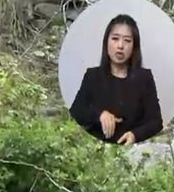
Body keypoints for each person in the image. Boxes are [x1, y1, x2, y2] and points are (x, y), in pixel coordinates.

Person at [69, 14, 164, 145]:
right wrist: (100, 115)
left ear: (134, 46)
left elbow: (156, 122)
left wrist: (135, 135)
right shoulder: (93, 75)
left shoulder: (144, 78)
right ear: (106, 42)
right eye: (115, 39)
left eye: (127, 41)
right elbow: (76, 111)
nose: (120, 46)